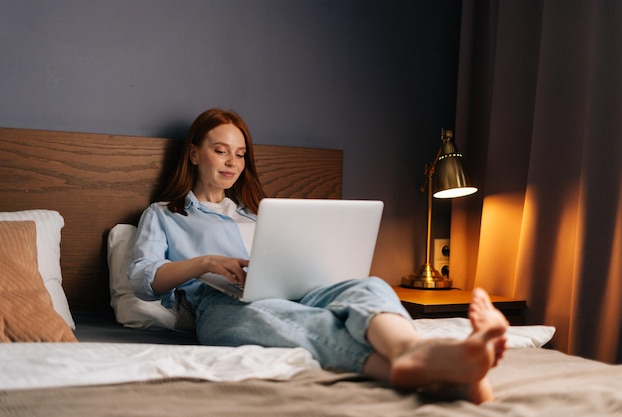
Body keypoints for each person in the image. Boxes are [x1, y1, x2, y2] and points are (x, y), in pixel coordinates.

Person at [129, 108, 509, 404]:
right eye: (220, 150)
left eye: (240, 154)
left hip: (292, 290)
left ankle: (411, 351)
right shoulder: (165, 214)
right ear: (194, 154)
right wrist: (206, 263)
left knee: (367, 285)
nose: (232, 162)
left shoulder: (262, 212)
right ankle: (434, 373)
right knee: (296, 320)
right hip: (217, 307)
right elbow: (142, 280)